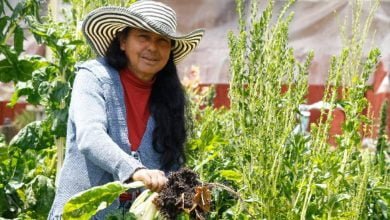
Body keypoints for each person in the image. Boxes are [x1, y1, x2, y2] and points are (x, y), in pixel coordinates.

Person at [48, 0, 204, 219]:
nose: (152, 47)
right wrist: (135, 170)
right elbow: (90, 136)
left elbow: (171, 166)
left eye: (162, 41)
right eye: (143, 37)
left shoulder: (169, 98)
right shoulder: (94, 77)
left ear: (170, 50)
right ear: (122, 41)